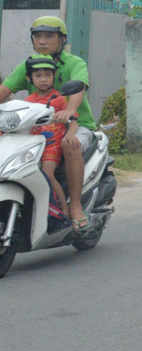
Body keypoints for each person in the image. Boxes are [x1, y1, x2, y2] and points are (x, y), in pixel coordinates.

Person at [0, 16, 94, 229]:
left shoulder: (74, 63)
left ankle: (76, 205)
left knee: (70, 145)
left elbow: (79, 88)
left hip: (76, 125)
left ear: (62, 40)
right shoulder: (29, 65)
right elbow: (5, 90)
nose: (42, 41)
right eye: (38, 36)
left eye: (49, 36)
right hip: (38, 128)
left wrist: (69, 109)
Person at [21, 55, 74, 224]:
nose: (43, 79)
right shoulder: (27, 101)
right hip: (32, 145)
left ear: (53, 77)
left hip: (52, 144)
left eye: (47, 75)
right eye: (38, 76)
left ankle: (65, 211)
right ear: (29, 78)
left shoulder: (59, 99)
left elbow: (73, 121)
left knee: (47, 174)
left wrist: (71, 134)